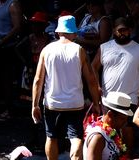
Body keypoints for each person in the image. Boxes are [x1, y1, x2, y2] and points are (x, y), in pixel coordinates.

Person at [33, 15, 100, 160]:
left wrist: (35, 105)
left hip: (52, 103)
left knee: (51, 137)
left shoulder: (46, 50)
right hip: (74, 104)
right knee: (76, 137)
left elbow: (38, 79)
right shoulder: (79, 50)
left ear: (58, 32)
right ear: (73, 33)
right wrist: (96, 102)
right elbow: (91, 80)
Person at [84, 92, 136, 160]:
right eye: (122, 119)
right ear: (110, 114)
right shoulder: (98, 137)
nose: (125, 122)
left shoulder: (112, 131)